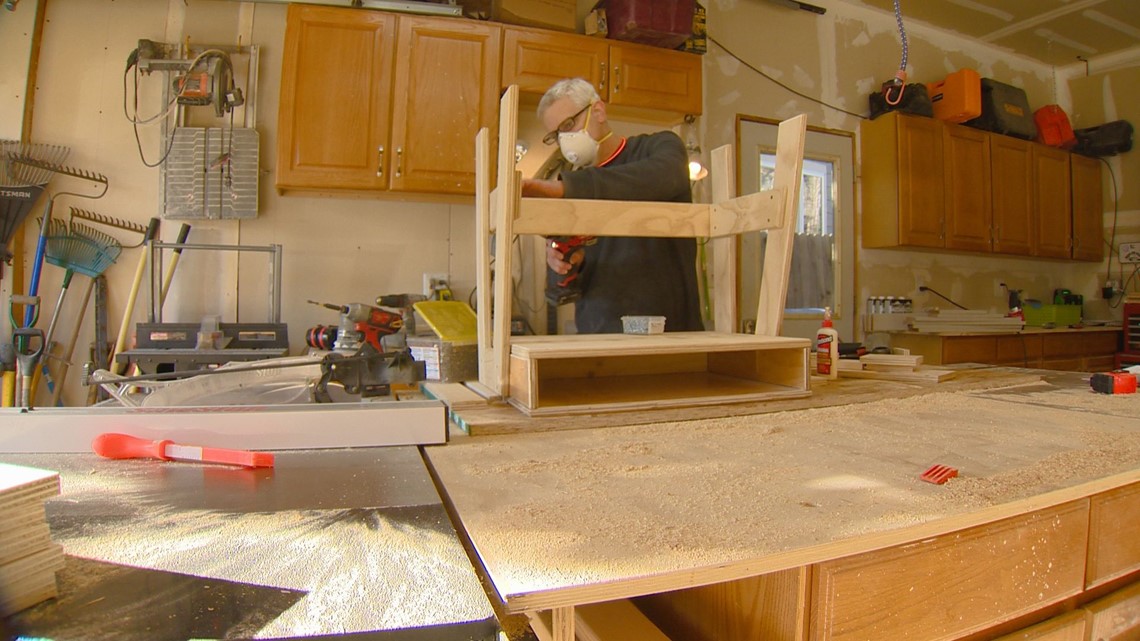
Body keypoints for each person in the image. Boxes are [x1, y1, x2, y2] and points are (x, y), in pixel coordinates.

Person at [521, 77, 703, 334]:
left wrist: (565, 189)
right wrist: (565, 265)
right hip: (600, 338)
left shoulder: (658, 147)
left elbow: (666, 175)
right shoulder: (575, 186)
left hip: (669, 332)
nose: (565, 138)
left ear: (598, 111)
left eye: (569, 125)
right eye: (557, 135)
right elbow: (563, 290)